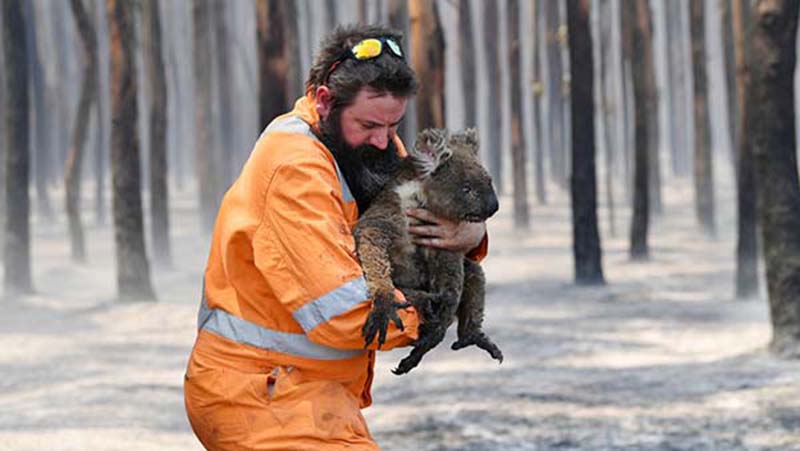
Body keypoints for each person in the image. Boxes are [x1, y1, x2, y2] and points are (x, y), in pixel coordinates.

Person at [184, 24, 488, 450]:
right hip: (259, 395)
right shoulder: (294, 168)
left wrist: (472, 234)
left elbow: (427, 216)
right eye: (370, 125)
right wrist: (438, 310)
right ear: (325, 101)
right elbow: (344, 313)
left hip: (310, 393)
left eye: (394, 125)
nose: (385, 140)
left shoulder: (366, 143)